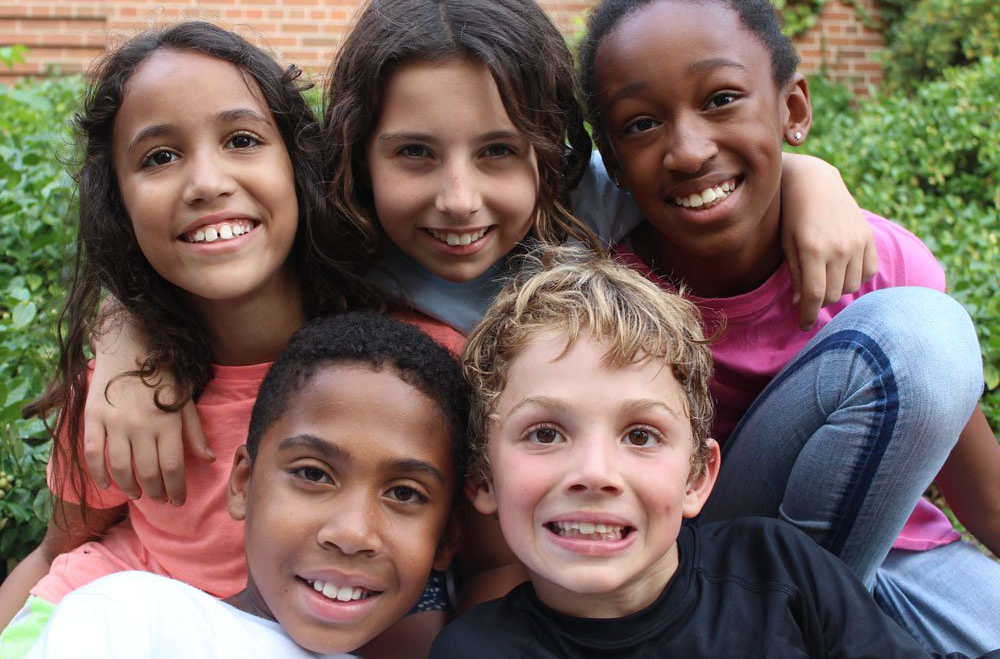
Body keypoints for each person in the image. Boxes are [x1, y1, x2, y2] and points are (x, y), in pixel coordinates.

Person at [78, 0, 877, 514]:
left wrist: (815, 177)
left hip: (677, 502)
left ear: (551, 154)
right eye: (415, 154)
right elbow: (219, 255)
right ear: (355, 157)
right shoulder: (342, 248)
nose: (459, 200)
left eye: (499, 152)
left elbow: (709, 171)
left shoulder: (586, 204)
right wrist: (127, 335)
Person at [0, 21, 462, 659]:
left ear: (298, 162)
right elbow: (56, 550)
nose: (207, 183)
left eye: (242, 139)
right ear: (120, 204)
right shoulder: (120, 396)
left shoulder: (419, 368)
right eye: (159, 157)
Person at [576, 0, 1000, 653]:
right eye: (642, 123)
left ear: (793, 110)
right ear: (611, 155)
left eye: (720, 98)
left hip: (904, 558)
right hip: (717, 579)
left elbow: (984, 494)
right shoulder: (611, 304)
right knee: (919, 335)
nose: (688, 151)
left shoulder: (875, 263)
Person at [430, 244, 995, 659]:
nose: (595, 473)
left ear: (698, 476)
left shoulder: (781, 568)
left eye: (641, 436)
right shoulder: (472, 649)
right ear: (481, 478)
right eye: (546, 434)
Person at [25, 312, 469, 658]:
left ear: (448, 536)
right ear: (242, 482)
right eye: (313, 474)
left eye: (405, 493)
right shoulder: (131, 619)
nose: (352, 533)